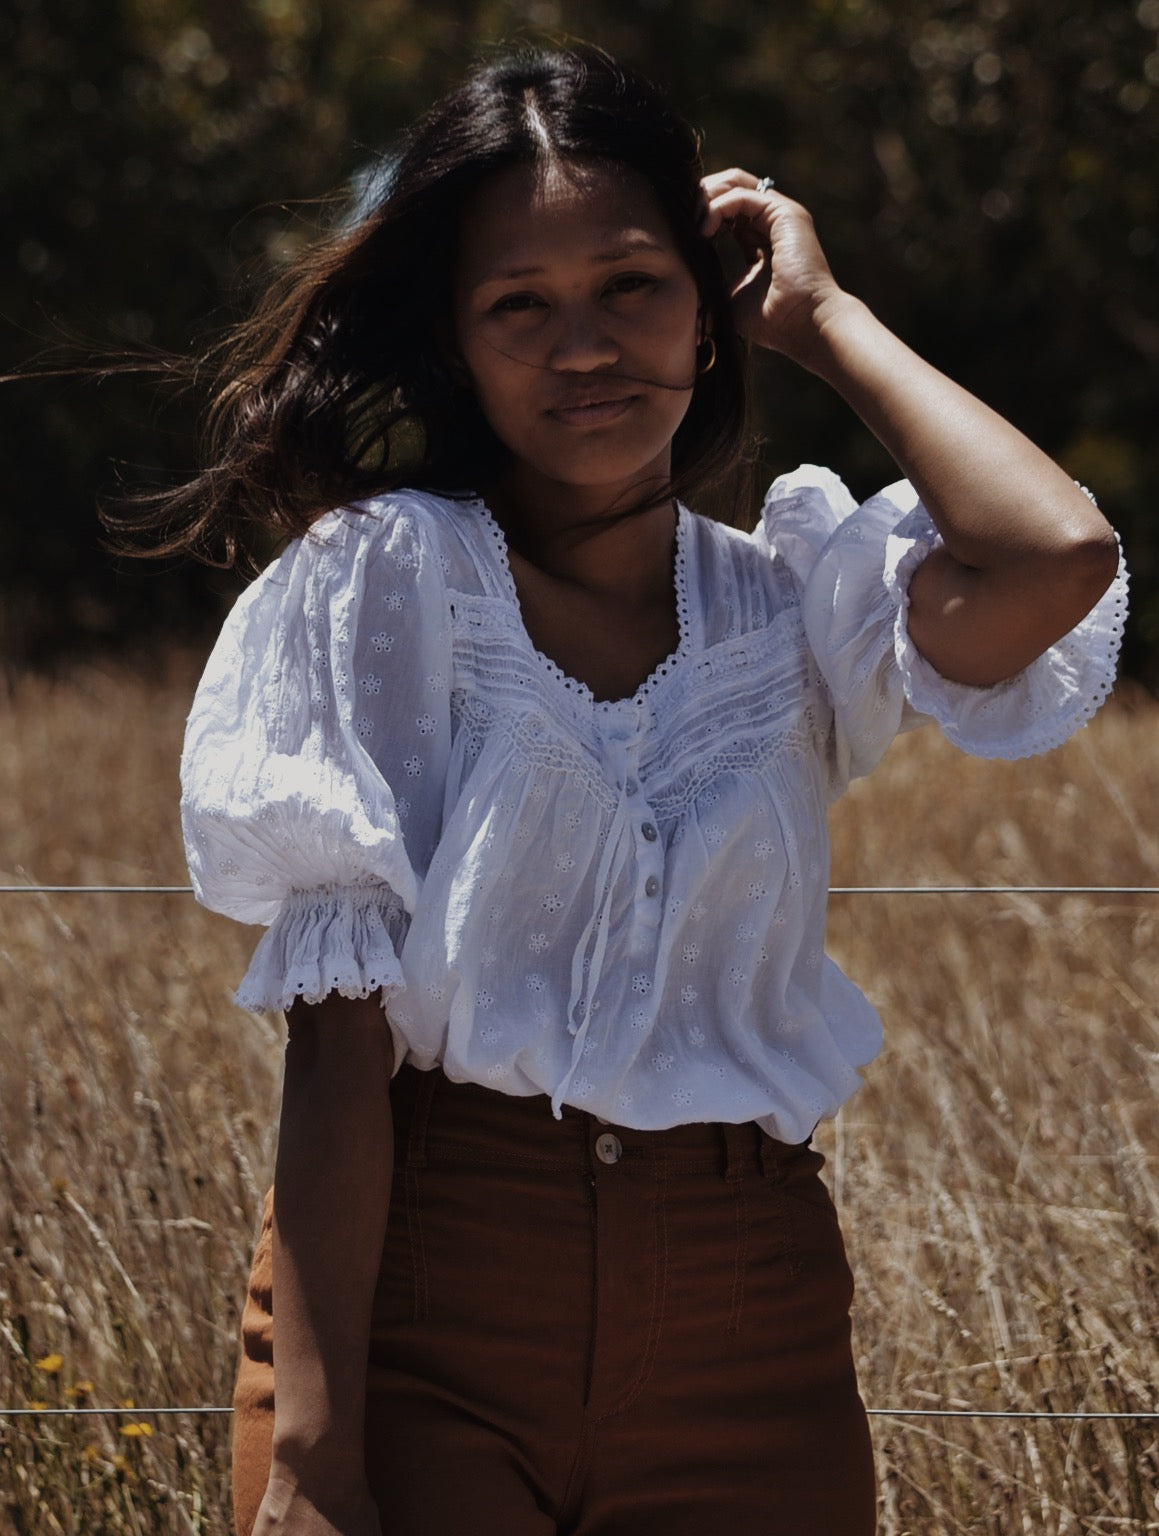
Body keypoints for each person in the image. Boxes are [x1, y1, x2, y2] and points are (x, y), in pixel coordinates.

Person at [176, 44, 1126, 1536]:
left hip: (750, 1333)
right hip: (427, 1309)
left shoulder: (801, 606)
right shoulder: (382, 582)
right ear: (457, 342)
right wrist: (312, 1457)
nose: (584, 347)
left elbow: (1055, 557)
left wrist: (827, 318)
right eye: (520, 306)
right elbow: (335, 1050)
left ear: (708, 293)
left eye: (633, 282)